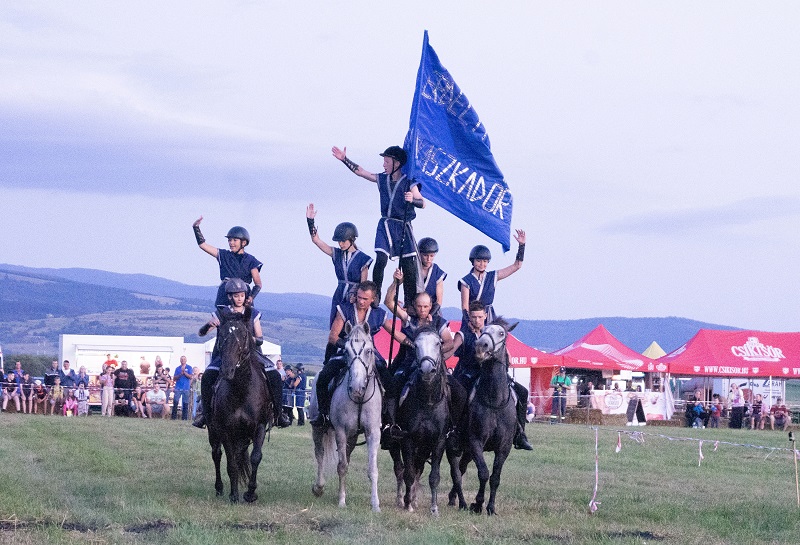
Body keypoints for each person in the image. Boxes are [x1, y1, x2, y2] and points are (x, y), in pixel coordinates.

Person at [332, 145, 424, 307]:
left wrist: (412, 199)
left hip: (403, 226)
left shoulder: (409, 183)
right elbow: (361, 172)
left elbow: (422, 203)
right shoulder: (382, 179)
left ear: (397, 163)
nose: (384, 165)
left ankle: (410, 304)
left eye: (387, 161)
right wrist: (344, 159)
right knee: (380, 259)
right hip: (386, 224)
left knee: (409, 267)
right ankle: (376, 296)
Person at [192, 278, 290, 429]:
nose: (239, 298)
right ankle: (205, 414)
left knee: (275, 376)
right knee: (207, 378)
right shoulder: (221, 313)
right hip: (225, 355)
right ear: (230, 297)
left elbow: (260, 339)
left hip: (250, 353)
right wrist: (208, 325)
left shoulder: (253, 313)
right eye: (236, 296)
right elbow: (201, 333)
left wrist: (247, 339)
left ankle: (278, 413)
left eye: (242, 295)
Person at [310, 280, 405, 427]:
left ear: (372, 299)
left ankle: (389, 423)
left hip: (369, 356)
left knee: (390, 384)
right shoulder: (344, 309)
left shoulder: (378, 314)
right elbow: (333, 336)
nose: (360, 301)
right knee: (323, 377)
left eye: (365, 299)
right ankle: (323, 414)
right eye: (359, 297)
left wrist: (411, 343)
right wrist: (348, 346)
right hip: (346, 353)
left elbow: (396, 333)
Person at [449, 300, 533, 451]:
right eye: (474, 317)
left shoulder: (491, 332)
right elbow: (451, 349)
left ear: (485, 316)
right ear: (469, 317)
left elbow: (504, 353)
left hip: (492, 375)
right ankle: (455, 432)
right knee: (461, 396)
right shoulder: (463, 334)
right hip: (469, 373)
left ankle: (520, 433)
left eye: (480, 317)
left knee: (522, 391)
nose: (477, 320)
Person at [383, 278, 454, 442]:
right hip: (410, 364)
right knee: (393, 386)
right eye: (419, 306)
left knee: (458, 391)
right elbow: (388, 302)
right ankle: (391, 425)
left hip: (435, 367)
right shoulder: (409, 320)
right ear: (415, 306)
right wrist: (395, 283)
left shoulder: (439, 322)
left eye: (426, 306)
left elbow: (449, 342)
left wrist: (433, 352)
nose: (422, 309)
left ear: (431, 306)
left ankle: (453, 429)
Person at [306, 204, 373, 325]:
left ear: (352, 239)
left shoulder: (363, 259)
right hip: (339, 294)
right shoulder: (336, 254)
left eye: (343, 241)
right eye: (339, 241)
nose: (340, 244)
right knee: (334, 328)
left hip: (354, 297)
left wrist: (357, 298)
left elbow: (363, 284)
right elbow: (316, 240)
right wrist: (310, 222)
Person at [458, 230, 526, 328]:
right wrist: (469, 322)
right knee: (460, 341)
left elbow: (517, 266)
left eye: (485, 261)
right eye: (479, 261)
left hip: (488, 317)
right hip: (472, 318)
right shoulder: (466, 281)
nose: (482, 264)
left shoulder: (492, 276)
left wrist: (522, 246)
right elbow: (465, 307)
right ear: (473, 261)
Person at [192, 216, 263, 308]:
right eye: (229, 240)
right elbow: (203, 245)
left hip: (243, 297)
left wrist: (251, 297)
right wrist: (196, 228)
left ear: (244, 242)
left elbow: (258, 283)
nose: (231, 243)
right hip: (225, 296)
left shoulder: (251, 260)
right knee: (218, 321)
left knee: (252, 320)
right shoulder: (223, 255)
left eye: (234, 240)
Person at [171, 356, 193, 420]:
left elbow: (190, 377)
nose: (183, 360)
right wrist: (181, 373)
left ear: (186, 360)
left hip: (186, 388)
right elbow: (174, 378)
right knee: (175, 402)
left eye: (184, 359)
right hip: (178, 388)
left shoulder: (189, 367)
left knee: (185, 403)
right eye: (182, 359)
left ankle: (184, 418)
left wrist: (184, 372)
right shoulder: (177, 368)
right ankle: (173, 417)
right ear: (180, 360)